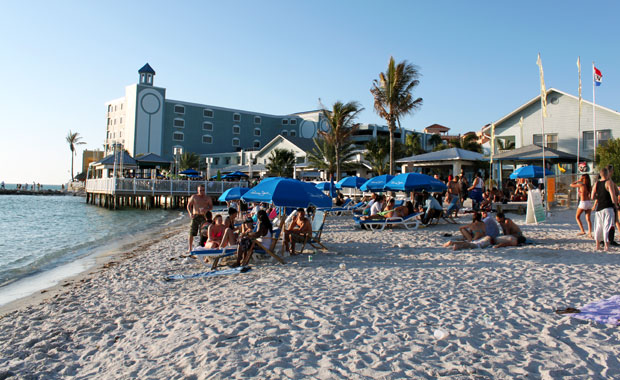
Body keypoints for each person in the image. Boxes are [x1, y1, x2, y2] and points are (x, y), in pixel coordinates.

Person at [591, 167, 618, 251]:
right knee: (607, 227)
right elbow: (612, 196)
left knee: (598, 227)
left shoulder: (596, 183)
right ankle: (606, 246)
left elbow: (592, 196)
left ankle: (597, 245)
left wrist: (599, 197)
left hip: (599, 208)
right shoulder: (608, 182)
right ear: (607, 174)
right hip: (608, 207)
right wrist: (616, 204)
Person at [186, 184, 213, 252]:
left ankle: (204, 246)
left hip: (204, 216)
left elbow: (211, 207)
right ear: (198, 190)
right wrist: (190, 213)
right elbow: (189, 206)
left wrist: (206, 209)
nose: (202, 192)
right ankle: (190, 248)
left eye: (203, 190)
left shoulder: (207, 198)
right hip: (196, 215)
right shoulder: (194, 197)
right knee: (192, 232)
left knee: (204, 232)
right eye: (200, 190)